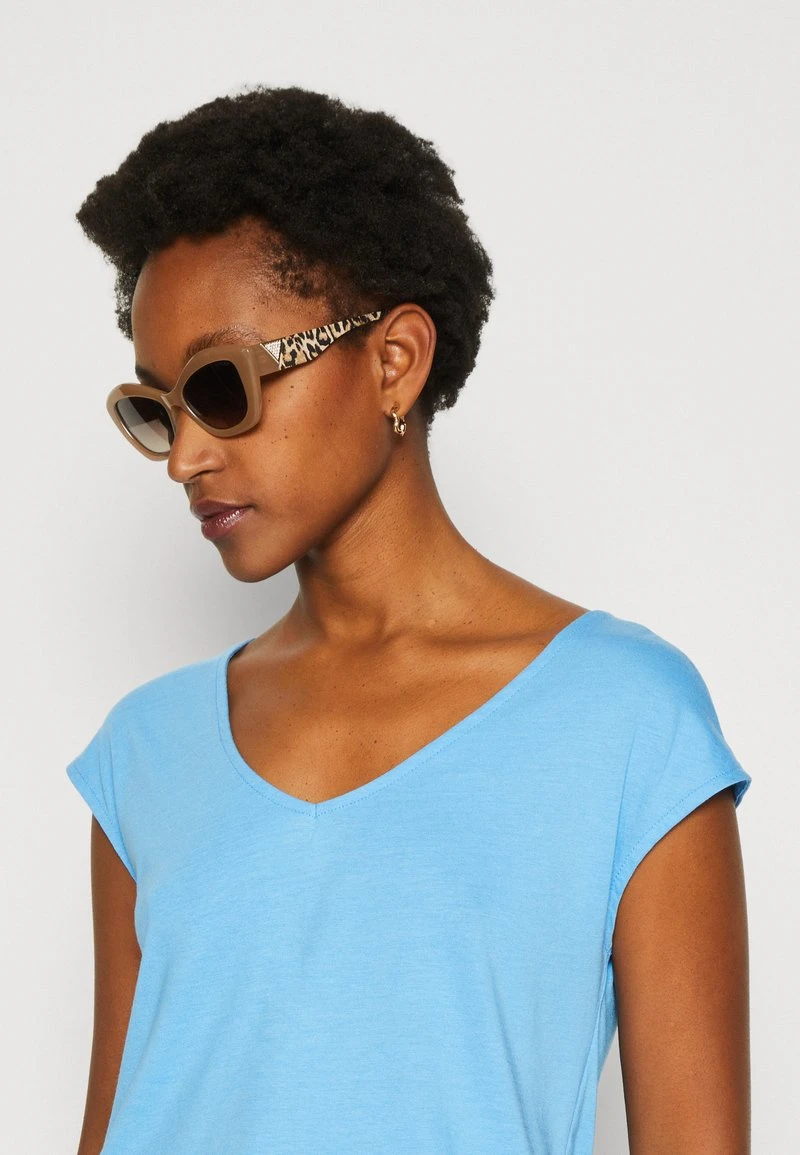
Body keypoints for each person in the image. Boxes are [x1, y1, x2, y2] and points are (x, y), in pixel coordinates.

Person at [66, 85, 752, 1155]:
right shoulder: (144, 755)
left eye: (223, 387)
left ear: (393, 360)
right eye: (158, 410)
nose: (187, 455)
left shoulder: (626, 723)